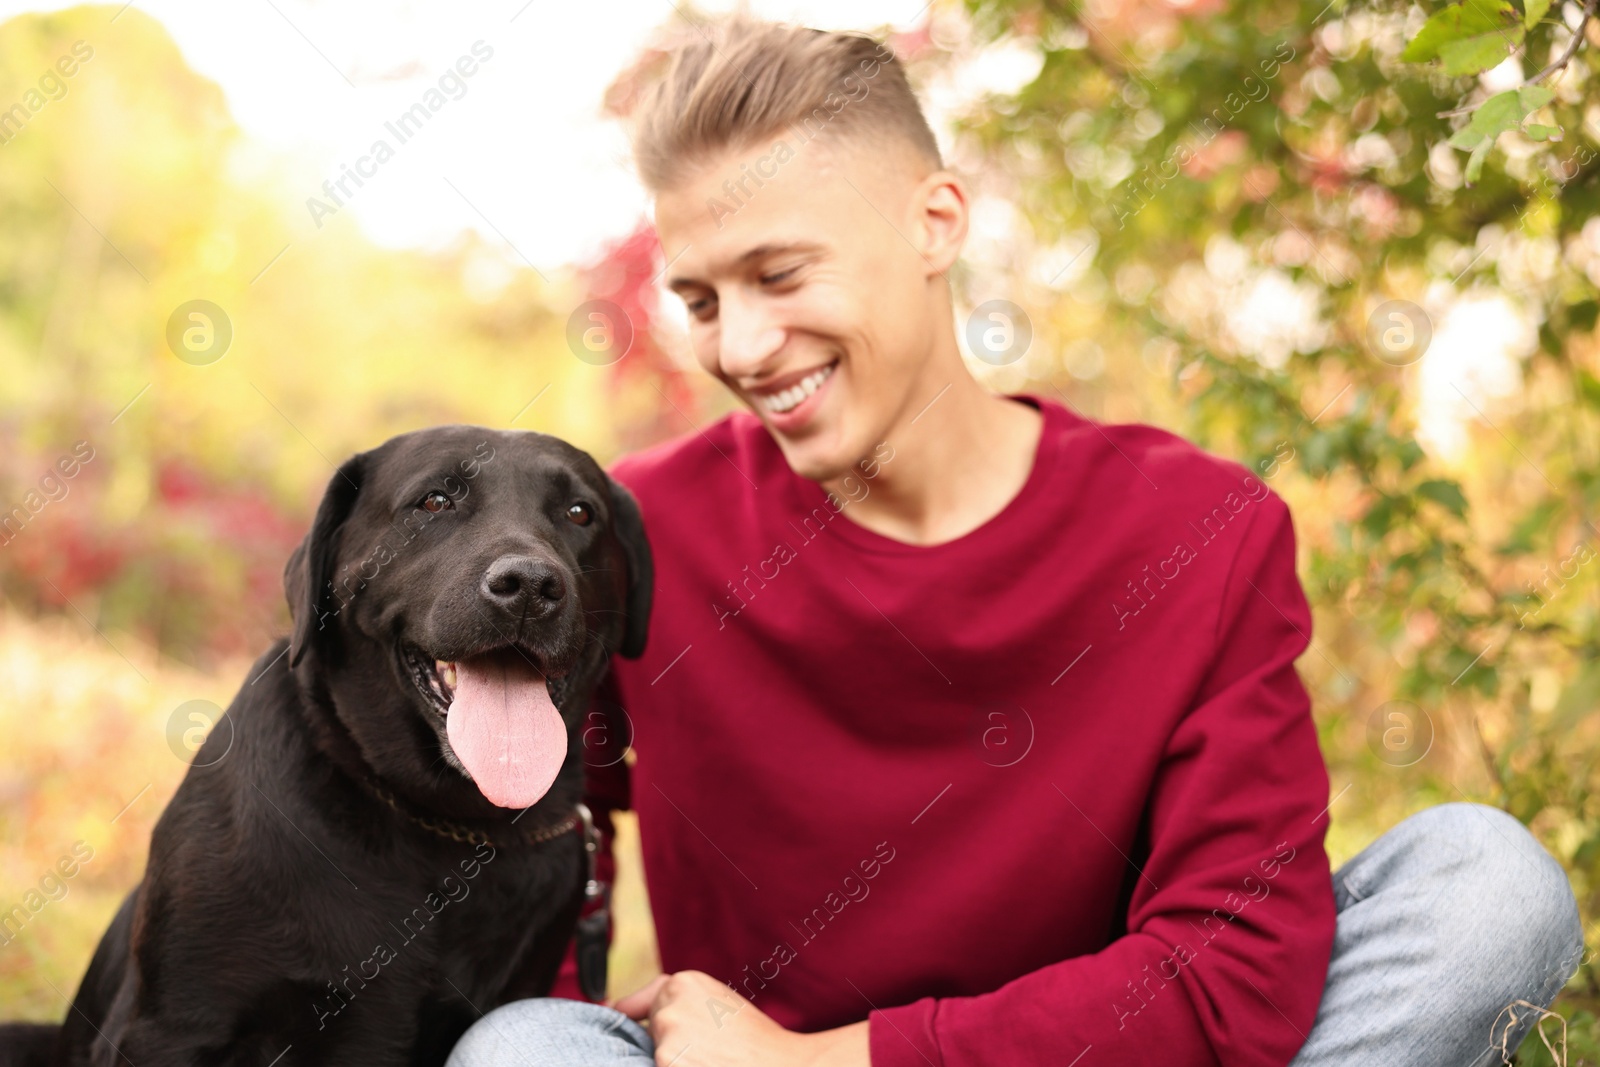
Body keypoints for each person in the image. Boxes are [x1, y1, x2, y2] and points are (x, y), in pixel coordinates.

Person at [448, 18, 1584, 1067]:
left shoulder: (1198, 532)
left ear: (936, 222)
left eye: (780, 275)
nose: (741, 344)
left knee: (1484, 885)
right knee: (525, 1047)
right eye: (698, 301)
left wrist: (821, 1060)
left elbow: (1236, 966)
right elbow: (522, 825)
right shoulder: (632, 532)